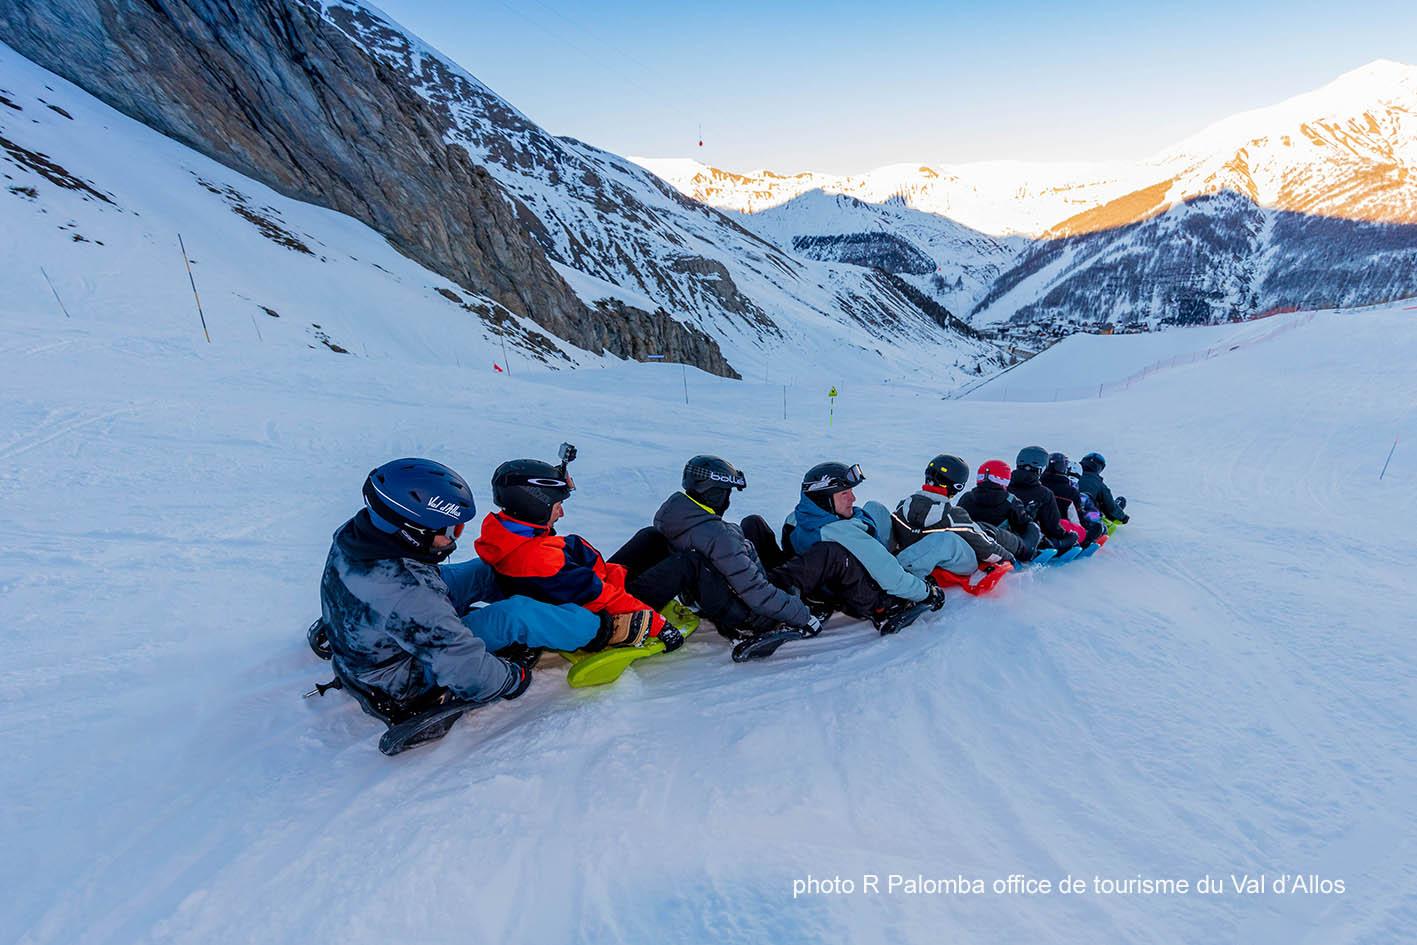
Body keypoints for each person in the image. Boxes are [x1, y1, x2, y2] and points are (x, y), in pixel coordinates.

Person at [319, 458, 598, 727]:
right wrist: (514, 678)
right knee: (512, 616)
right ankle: (598, 628)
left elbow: (406, 595)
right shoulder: (411, 595)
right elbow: (469, 672)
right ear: (414, 531)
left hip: (377, 624)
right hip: (407, 677)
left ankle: (549, 593)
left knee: (489, 571)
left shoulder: (363, 534)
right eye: (453, 530)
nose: (454, 539)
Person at [474, 456, 684, 652]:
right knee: (686, 562)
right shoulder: (540, 559)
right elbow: (599, 597)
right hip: (611, 610)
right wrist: (658, 625)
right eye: (558, 505)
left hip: (596, 585)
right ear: (534, 506)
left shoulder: (507, 536)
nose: (561, 513)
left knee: (651, 537)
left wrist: (614, 573)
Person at [610, 455, 821, 640]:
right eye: (727, 492)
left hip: (704, 595)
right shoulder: (719, 536)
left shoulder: (673, 517)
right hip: (749, 615)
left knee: (652, 536)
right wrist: (801, 614)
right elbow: (755, 592)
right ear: (716, 495)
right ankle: (626, 612)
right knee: (687, 558)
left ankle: (607, 590)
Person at [777, 461, 946, 625]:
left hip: (825, 584)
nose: (853, 498)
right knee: (942, 542)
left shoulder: (795, 519)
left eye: (851, 491)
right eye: (844, 494)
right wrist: (926, 593)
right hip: (866, 594)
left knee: (873, 508)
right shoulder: (844, 533)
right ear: (823, 499)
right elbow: (891, 579)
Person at [892, 454, 1017, 577]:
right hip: (952, 566)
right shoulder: (953, 515)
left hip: (913, 553)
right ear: (957, 486)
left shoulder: (903, 506)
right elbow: (985, 547)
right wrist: (1008, 558)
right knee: (949, 539)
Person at [957, 459, 1045, 561]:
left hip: (970, 540)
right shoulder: (1010, 500)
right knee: (1032, 526)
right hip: (999, 541)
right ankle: (1027, 552)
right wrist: (1029, 515)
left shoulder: (967, 497)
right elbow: (1021, 524)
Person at [1006, 447, 1080, 554]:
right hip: (1028, 540)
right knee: (1071, 538)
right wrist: (1064, 536)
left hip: (1002, 536)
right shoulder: (1044, 493)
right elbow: (1052, 526)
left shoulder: (1004, 486)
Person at [1041, 452, 1103, 546]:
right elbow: (1076, 517)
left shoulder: (1038, 484)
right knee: (1086, 527)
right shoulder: (1072, 493)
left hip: (1039, 524)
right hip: (1059, 528)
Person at [1077, 452, 1130, 524]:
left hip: (1065, 510)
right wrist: (1123, 517)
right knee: (1118, 501)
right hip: (1085, 517)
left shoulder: (1069, 474)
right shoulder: (1098, 484)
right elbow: (1110, 506)